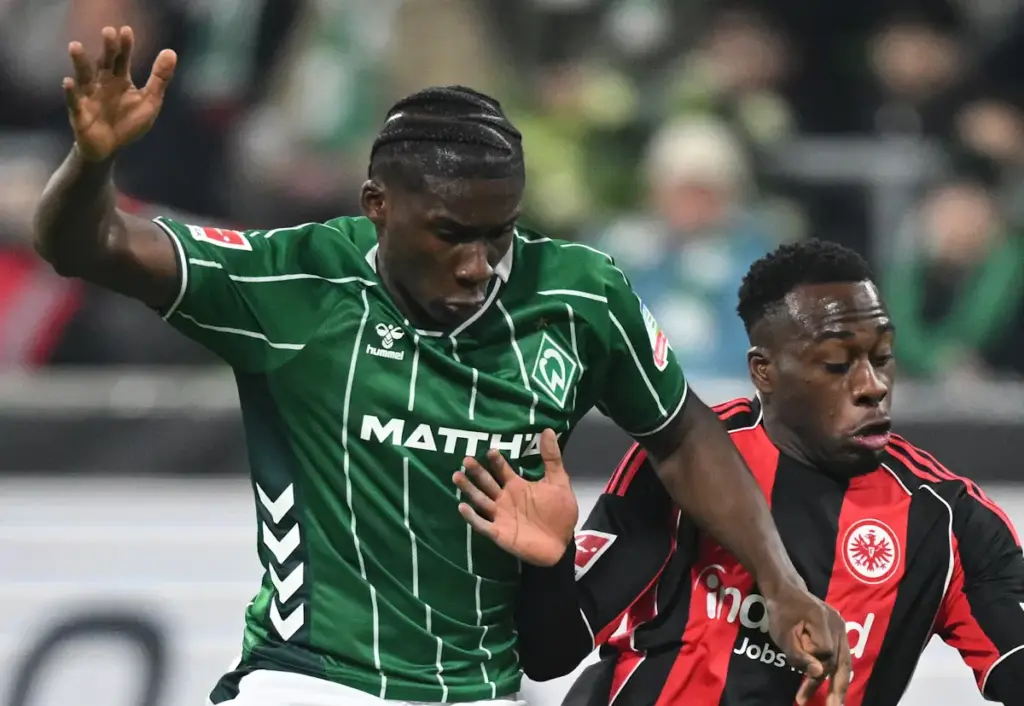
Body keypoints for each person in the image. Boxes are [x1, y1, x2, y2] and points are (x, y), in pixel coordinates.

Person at [34, 26, 850, 706]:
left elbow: (684, 435)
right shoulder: (295, 284)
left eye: (500, 234)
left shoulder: (578, 296)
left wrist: (779, 581)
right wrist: (93, 163)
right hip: (311, 680)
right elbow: (86, 245)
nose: (479, 264)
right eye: (451, 234)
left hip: (481, 691)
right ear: (377, 206)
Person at [454, 239, 1024, 706]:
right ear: (764, 372)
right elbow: (551, 653)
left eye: (883, 357)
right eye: (837, 364)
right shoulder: (694, 459)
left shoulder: (951, 521)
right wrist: (550, 565)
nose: (872, 386)